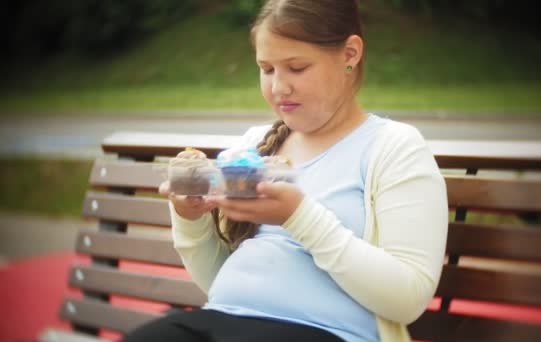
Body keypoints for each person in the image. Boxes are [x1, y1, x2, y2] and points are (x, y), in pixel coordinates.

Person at [123, 0, 448, 341]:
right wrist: (190, 219)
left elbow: (407, 299)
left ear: (350, 54)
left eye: (296, 68)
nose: (279, 87)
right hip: (224, 323)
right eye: (267, 69)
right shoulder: (252, 147)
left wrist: (298, 216)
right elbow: (218, 283)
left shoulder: (394, 147)